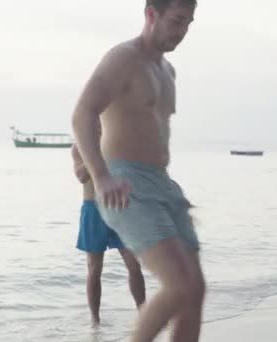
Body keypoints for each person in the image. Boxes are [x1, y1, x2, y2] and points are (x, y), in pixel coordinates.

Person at [71, 0, 205, 341]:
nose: (183, 31)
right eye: (176, 21)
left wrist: (172, 197)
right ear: (151, 14)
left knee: (195, 291)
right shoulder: (124, 58)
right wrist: (101, 177)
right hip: (127, 183)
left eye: (188, 23)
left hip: (162, 185)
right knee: (179, 286)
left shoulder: (167, 71)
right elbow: (83, 113)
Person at [72, 143, 146, 325]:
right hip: (93, 209)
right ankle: (95, 322)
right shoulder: (80, 147)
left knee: (134, 265)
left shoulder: (119, 139)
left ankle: (144, 313)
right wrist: (98, 153)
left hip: (120, 207)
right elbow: (81, 176)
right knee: (94, 269)